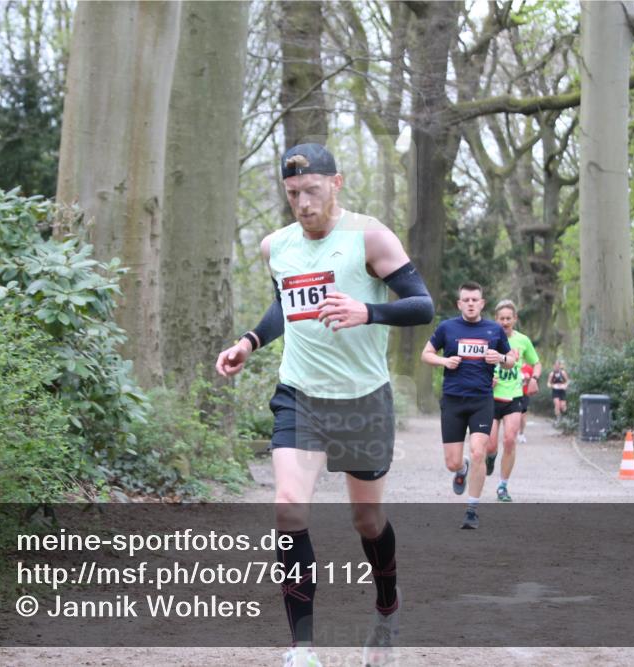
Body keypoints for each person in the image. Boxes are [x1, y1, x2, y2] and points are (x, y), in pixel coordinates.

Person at [215, 143, 434, 667]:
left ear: (335, 184)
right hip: (301, 395)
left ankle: (386, 607)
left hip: (362, 400)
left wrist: (368, 311)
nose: (303, 203)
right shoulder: (277, 246)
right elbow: (285, 304)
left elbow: (422, 304)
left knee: (367, 519)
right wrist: (249, 341)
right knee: (289, 507)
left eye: (311, 190)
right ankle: (303, 649)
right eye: (292, 194)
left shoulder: (369, 236)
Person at [421, 281, 512, 530]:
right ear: (459, 303)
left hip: (481, 399)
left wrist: (501, 358)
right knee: (452, 462)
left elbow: (511, 360)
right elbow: (426, 354)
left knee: (478, 451)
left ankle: (472, 509)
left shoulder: (494, 330)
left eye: (475, 300)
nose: (471, 304)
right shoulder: (447, 328)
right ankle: (462, 469)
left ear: (482, 303)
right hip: (452, 400)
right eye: (466, 300)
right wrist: (444, 361)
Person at [485, 300, 541, 503]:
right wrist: (485, 378)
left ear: (515, 319)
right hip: (491, 398)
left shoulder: (523, 341)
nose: (505, 322)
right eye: (502, 318)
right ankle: (490, 458)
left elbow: (536, 363)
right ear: (496, 319)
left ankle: (502, 485)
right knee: (490, 445)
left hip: (514, 396)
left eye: (509, 318)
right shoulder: (488, 338)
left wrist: (534, 379)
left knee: (510, 439)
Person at [517, 361, 534, 444]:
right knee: (514, 415)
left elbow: (533, 382)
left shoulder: (529, 368)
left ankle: (521, 433)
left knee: (523, 415)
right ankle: (512, 433)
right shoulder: (513, 365)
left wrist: (529, 379)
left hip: (524, 394)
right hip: (514, 394)